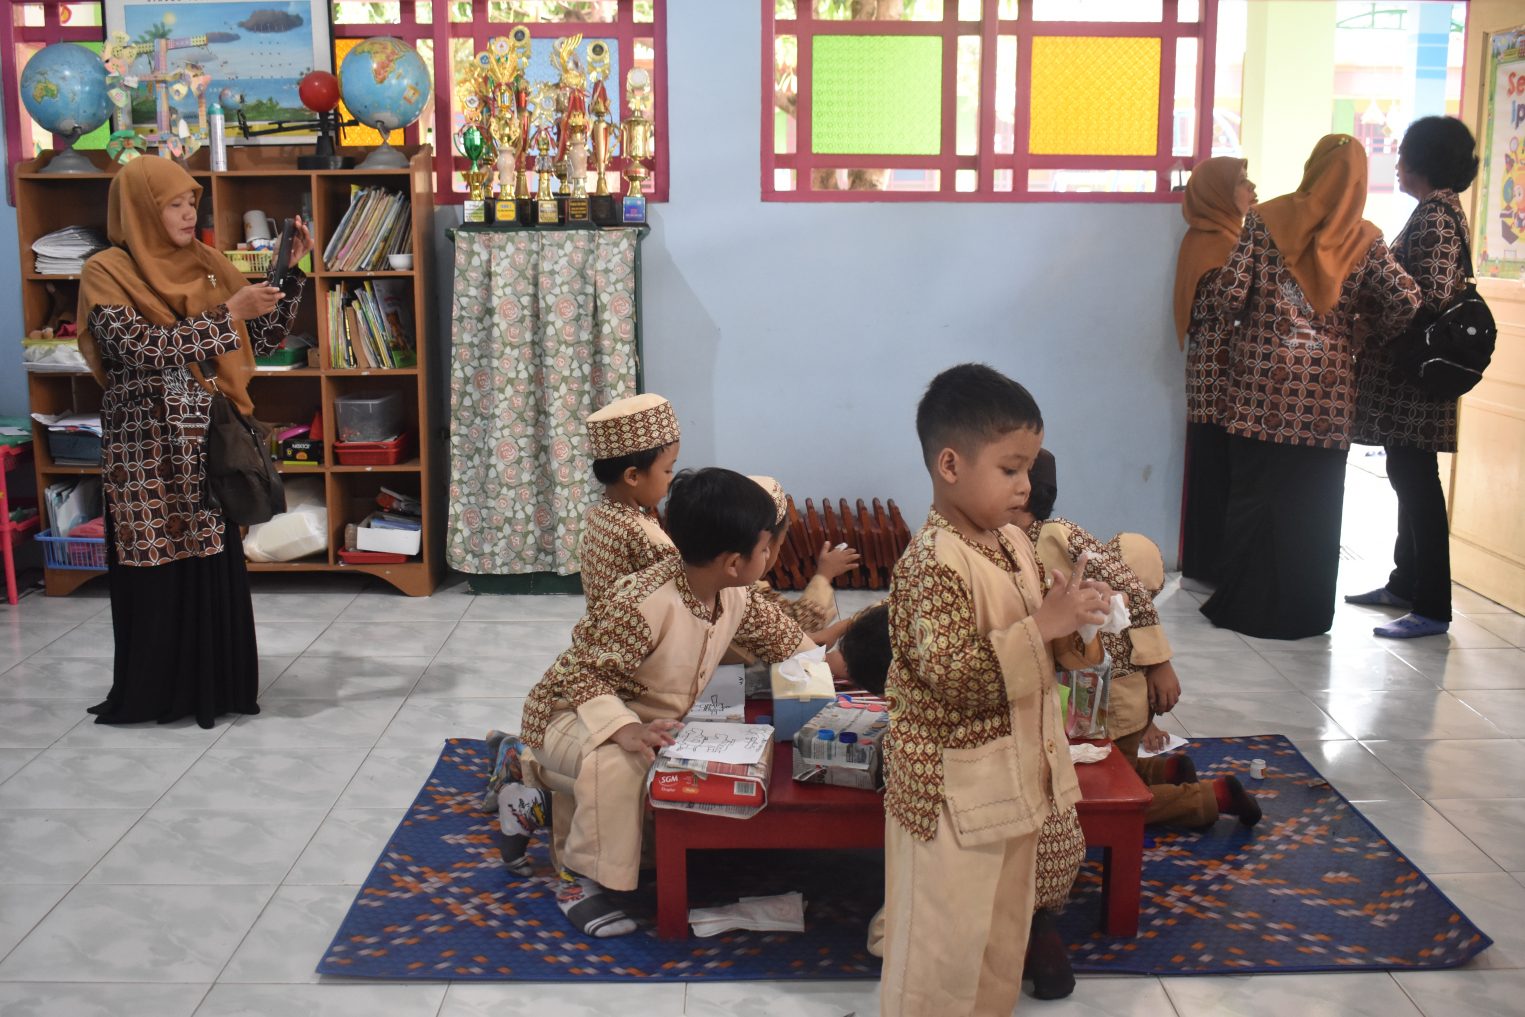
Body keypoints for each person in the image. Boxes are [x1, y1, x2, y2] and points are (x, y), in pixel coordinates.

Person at [879, 363, 1111, 1017]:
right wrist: (1042, 627)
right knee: (942, 951)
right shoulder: (931, 561)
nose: (1026, 485)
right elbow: (954, 677)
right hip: (948, 797)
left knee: (998, 943)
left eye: (1029, 467)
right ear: (950, 465)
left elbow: (1042, 646)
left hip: (1011, 784)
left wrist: (1074, 620)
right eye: (1010, 468)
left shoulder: (1012, 541)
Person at [518, 467, 814, 938]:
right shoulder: (642, 602)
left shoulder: (735, 594)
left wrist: (846, 664)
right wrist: (624, 729)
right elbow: (585, 676)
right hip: (562, 714)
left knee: (668, 768)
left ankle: (532, 800)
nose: (769, 556)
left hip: (636, 718)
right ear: (734, 562)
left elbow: (795, 648)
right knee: (622, 763)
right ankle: (577, 881)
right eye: (765, 548)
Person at [77, 155, 309, 729]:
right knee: (154, 560)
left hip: (205, 440)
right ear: (140, 210)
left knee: (209, 558)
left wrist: (287, 276)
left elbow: (261, 337)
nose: (189, 215)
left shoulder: (206, 263)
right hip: (145, 449)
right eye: (174, 205)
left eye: (192, 204)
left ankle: (216, 688)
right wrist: (228, 312)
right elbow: (141, 349)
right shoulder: (106, 270)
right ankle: (156, 692)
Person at [1200, 135, 1421, 640]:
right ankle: (1304, 613)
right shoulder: (1365, 239)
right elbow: (1406, 301)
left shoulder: (1265, 220)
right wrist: (1362, 333)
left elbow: (1229, 294)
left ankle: (1245, 606)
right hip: (1326, 397)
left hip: (1259, 389)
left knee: (1255, 496)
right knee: (1312, 508)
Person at [1019, 449, 1261, 831]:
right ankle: (1165, 772)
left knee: (1099, 801)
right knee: (1105, 768)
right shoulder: (1014, 544)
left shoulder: (1054, 534)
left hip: (1110, 692)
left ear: (1021, 490)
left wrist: (1159, 661)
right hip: (1084, 690)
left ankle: (1209, 798)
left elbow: (1129, 586)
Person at [1349, 116, 1481, 639]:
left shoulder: (1434, 218)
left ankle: (1432, 605)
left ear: (1424, 160)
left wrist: (1370, 325)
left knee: (1417, 480)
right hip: (1412, 375)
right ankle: (1405, 583)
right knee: (1408, 474)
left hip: (1415, 378)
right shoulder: (1437, 211)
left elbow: (1422, 300)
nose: (1398, 163)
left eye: (1404, 153)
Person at [1175, 157, 1256, 588]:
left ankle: (1215, 562)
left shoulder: (1230, 238)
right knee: (1214, 467)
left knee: (1222, 467)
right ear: (1219, 193)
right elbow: (1218, 308)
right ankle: (1209, 564)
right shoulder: (1211, 242)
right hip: (1216, 373)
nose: (1252, 189)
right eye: (1242, 182)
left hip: (1228, 371)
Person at [723, 475, 860, 661]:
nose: (769, 554)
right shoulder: (736, 596)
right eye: (766, 548)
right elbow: (795, 628)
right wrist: (824, 576)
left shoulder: (717, 577)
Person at [578, 392, 680, 613]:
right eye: (668, 470)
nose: (671, 479)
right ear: (632, 476)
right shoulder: (645, 535)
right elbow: (682, 599)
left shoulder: (598, 516)